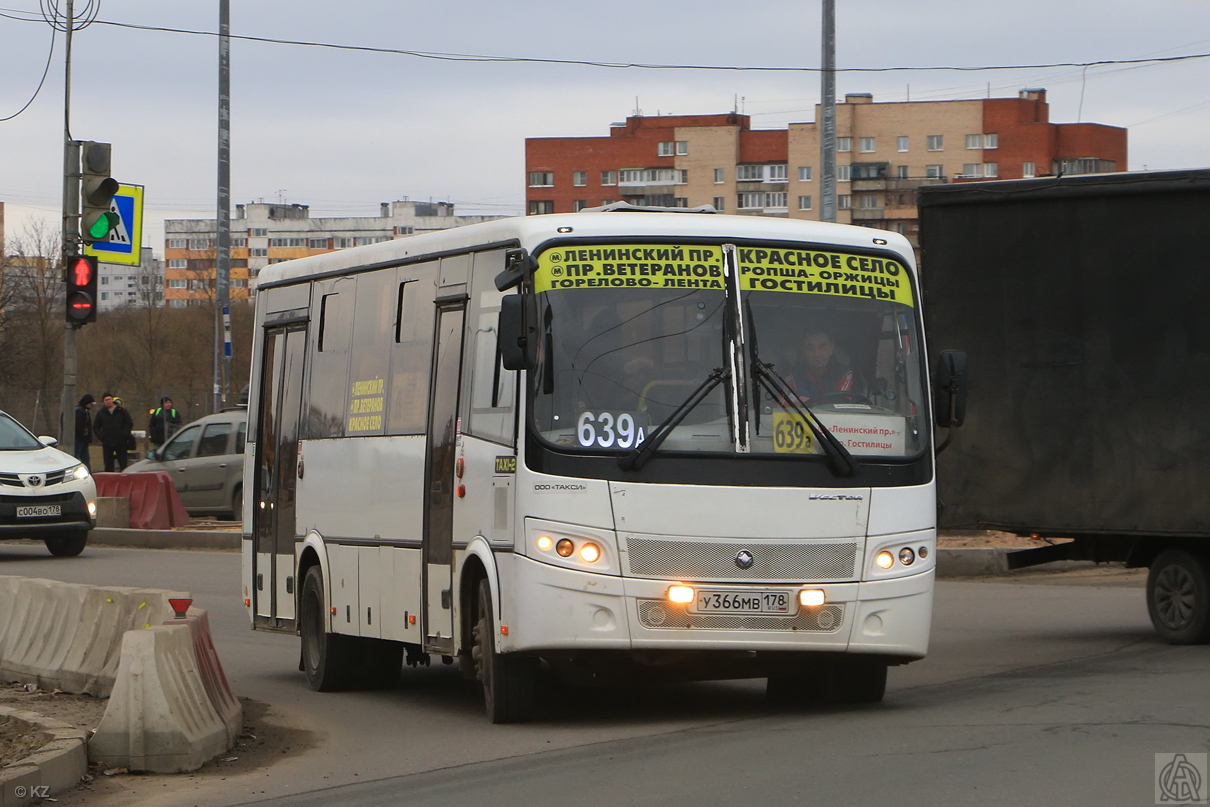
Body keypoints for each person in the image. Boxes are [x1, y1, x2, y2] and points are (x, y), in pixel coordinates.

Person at [786, 328, 866, 402]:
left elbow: (841, 403)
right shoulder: (792, 377)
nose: (816, 354)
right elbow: (783, 405)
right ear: (803, 351)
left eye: (822, 347)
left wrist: (810, 402)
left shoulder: (844, 374)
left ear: (831, 349)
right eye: (810, 348)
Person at [93, 392, 134, 472]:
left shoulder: (121, 411)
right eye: (106, 400)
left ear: (112, 400)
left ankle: (124, 477)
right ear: (103, 402)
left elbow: (129, 423)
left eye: (109, 399)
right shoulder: (101, 413)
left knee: (123, 463)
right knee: (108, 464)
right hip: (107, 442)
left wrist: (124, 434)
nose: (108, 401)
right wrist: (102, 437)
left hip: (121, 441)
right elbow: (95, 427)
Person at [73, 394, 95, 470]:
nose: (91, 406)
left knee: (85, 459)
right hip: (79, 439)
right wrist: (82, 436)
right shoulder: (79, 412)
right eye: (90, 404)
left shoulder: (85, 411)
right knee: (77, 457)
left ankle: (88, 473)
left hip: (83, 439)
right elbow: (79, 426)